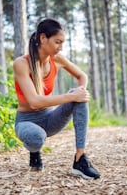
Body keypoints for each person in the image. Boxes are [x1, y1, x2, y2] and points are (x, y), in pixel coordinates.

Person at [13, 18, 100, 179]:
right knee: (36, 137)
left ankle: (80, 159)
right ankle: (34, 150)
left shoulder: (57, 59)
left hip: (49, 119)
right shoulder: (21, 63)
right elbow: (34, 101)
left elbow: (82, 75)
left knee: (79, 96)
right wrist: (70, 96)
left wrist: (79, 92)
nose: (61, 48)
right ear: (43, 38)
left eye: (63, 43)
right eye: (58, 42)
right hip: (26, 121)